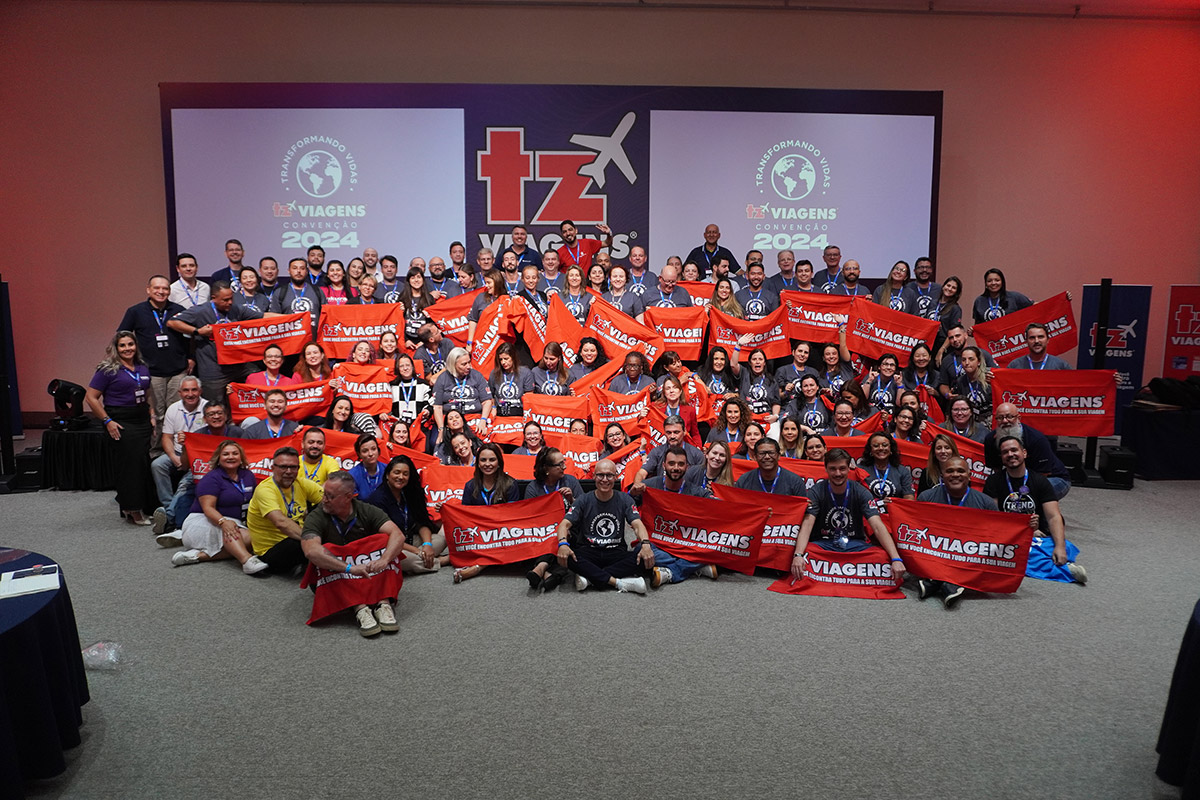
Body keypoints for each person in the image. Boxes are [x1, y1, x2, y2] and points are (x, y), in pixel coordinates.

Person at [301, 471, 414, 637]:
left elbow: (397, 535)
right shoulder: (317, 515)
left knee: (384, 541)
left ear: (348, 497)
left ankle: (383, 604)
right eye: (324, 494)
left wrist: (384, 560)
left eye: (330, 496)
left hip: (366, 567)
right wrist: (349, 568)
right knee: (326, 550)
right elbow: (311, 550)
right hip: (339, 572)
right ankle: (360, 608)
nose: (324, 499)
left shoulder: (366, 509)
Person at [790, 448, 907, 582]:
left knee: (883, 557)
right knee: (806, 555)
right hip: (823, 544)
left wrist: (895, 558)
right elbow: (807, 524)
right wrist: (798, 555)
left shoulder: (861, 492)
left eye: (842, 468)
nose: (838, 473)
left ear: (848, 468)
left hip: (854, 544)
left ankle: (831, 575)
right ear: (826, 469)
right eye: (833, 469)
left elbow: (877, 526)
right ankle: (845, 575)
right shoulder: (816, 491)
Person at [983, 436, 1087, 585]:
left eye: (1014, 450)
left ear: (1024, 453)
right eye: (1005, 452)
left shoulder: (1040, 481)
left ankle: (1049, 559)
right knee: (1007, 552)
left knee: (1062, 545)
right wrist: (1023, 530)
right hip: (1007, 536)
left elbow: (1053, 516)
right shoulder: (993, 481)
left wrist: (1060, 547)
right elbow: (993, 518)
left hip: (1037, 535)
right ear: (1002, 457)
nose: (1010, 454)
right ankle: (1066, 571)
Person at [86, 331, 155, 524]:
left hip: (141, 418)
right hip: (120, 420)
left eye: (130, 344)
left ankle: (143, 505)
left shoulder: (142, 367)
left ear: (136, 346)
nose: (127, 349)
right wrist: (107, 421)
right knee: (130, 466)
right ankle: (132, 508)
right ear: (116, 348)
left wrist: (151, 415)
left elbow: (147, 394)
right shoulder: (107, 370)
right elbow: (91, 398)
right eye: (122, 345)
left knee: (142, 463)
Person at [170, 440, 268, 575]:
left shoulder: (247, 475)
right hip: (204, 521)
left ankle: (198, 556)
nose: (231, 457)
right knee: (235, 533)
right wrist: (223, 522)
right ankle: (247, 561)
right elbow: (208, 508)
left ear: (241, 457)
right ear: (218, 458)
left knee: (254, 539)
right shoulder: (211, 478)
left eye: (235, 453)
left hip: (236, 522)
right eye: (226, 454)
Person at [554, 459, 650, 594]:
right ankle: (618, 582)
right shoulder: (583, 500)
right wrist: (563, 544)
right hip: (589, 550)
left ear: (615, 477)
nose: (605, 479)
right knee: (568, 556)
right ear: (594, 476)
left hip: (615, 551)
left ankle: (591, 578)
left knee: (644, 557)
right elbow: (564, 524)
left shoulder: (625, 499)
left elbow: (637, 524)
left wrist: (645, 544)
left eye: (609, 475)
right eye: (600, 475)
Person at [915, 456, 998, 608]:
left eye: (960, 471)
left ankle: (936, 582)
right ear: (942, 475)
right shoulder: (926, 497)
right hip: (936, 551)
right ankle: (948, 583)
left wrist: (1028, 525)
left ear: (969, 475)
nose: (955, 475)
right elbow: (916, 529)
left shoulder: (986, 503)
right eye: (950, 471)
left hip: (968, 554)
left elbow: (998, 535)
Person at [118, 274, 190, 449]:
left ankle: (176, 451)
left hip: (177, 370)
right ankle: (156, 451)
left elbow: (189, 337)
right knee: (158, 415)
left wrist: (190, 358)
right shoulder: (135, 311)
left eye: (165, 288)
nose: (161, 291)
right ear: (148, 290)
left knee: (176, 413)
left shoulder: (178, 310)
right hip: (151, 371)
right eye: (157, 288)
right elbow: (122, 336)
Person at [169, 282, 263, 402]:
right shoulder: (200, 311)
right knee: (215, 407)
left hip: (238, 367)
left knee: (257, 379)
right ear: (214, 298)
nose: (230, 302)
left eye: (231, 298)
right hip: (213, 370)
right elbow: (172, 322)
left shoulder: (236, 309)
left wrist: (287, 319)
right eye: (225, 300)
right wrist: (197, 331)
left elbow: (263, 316)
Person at [640, 447, 719, 588]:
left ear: (687, 467)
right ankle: (693, 567)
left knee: (712, 550)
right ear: (664, 465)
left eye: (681, 464)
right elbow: (627, 505)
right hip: (657, 543)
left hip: (686, 544)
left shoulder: (695, 491)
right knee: (640, 553)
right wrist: (633, 492)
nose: (676, 468)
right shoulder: (648, 486)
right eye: (671, 463)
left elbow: (719, 506)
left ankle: (671, 572)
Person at [245, 446, 323, 575]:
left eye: (293, 467)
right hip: (270, 551)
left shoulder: (301, 483)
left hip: (297, 537)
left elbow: (330, 500)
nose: (289, 471)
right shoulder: (265, 490)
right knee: (299, 543)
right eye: (283, 467)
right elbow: (281, 522)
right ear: (273, 468)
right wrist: (314, 539)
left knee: (328, 511)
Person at [366, 454, 447, 574]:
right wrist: (417, 551)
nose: (401, 477)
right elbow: (384, 538)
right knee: (404, 559)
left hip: (410, 539)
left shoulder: (409, 492)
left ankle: (422, 560)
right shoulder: (377, 499)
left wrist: (427, 544)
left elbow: (422, 522)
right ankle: (441, 561)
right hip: (390, 545)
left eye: (405, 474)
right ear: (387, 475)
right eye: (397, 472)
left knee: (440, 540)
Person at [453, 444, 522, 583]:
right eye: (483, 460)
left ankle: (478, 567)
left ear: (499, 462)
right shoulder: (470, 486)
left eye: (492, 460)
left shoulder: (510, 484)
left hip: (502, 533)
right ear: (478, 463)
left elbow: (513, 517)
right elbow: (465, 515)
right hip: (478, 531)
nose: (487, 464)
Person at [983, 403, 1072, 499]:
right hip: (1017, 476)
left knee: (1026, 496)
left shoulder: (1036, 439)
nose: (1005, 421)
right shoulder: (990, 440)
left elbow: (1042, 476)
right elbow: (997, 470)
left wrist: (1018, 488)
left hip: (1053, 478)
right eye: (1000, 418)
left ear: (1018, 418)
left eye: (1010, 417)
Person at [150, 376, 207, 510]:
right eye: (186, 390)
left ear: (200, 391)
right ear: (179, 393)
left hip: (199, 456)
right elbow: (167, 437)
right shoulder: (173, 409)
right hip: (177, 452)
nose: (190, 394)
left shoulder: (207, 408)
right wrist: (173, 457)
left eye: (194, 390)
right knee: (157, 465)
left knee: (184, 483)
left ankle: (170, 513)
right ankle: (167, 505)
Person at [432, 347, 492, 438]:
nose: (468, 366)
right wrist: (441, 429)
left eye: (469, 362)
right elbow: (437, 407)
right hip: (452, 420)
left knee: (485, 436)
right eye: (464, 364)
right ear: (453, 365)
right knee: (436, 441)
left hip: (474, 417)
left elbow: (487, 401)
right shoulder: (442, 378)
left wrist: (483, 420)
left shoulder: (476, 375)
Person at [633, 415, 704, 488]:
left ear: (684, 431)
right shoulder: (657, 452)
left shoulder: (697, 454)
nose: (672, 436)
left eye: (676, 432)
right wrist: (637, 486)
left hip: (687, 492)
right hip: (662, 492)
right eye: (669, 433)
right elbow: (641, 473)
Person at [733, 437, 807, 494]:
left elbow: (802, 507)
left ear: (778, 456)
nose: (767, 457)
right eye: (762, 453)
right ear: (755, 457)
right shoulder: (744, 481)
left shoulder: (795, 482)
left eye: (771, 453)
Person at [859, 433, 915, 501]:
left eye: (885, 445)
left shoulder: (902, 471)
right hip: (868, 507)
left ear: (891, 448)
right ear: (870, 450)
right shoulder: (860, 470)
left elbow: (909, 498)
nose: (881, 448)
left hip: (893, 508)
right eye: (876, 446)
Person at [268, 258, 325, 323]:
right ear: (289, 271)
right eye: (295, 268)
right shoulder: (280, 292)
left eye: (302, 268)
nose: (298, 271)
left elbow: (325, 316)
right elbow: (274, 319)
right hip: (290, 329)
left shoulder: (317, 291)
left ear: (306, 271)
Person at [489, 342, 534, 417]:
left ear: (513, 357)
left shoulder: (525, 372)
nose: (503, 362)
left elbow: (530, 397)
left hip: (519, 413)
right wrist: (493, 407)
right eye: (500, 359)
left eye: (506, 359)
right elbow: (490, 396)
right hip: (500, 412)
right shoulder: (494, 373)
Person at [948, 346, 993, 422]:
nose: (967, 363)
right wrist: (950, 397)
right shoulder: (960, 381)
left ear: (979, 362)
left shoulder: (989, 376)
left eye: (971, 359)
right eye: (963, 360)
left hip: (991, 419)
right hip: (970, 421)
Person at [738, 348, 781, 425]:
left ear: (764, 363)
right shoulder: (744, 375)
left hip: (767, 419)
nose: (757, 362)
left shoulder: (772, 380)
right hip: (747, 420)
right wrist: (738, 346)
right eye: (754, 359)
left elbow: (776, 402)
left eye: (760, 359)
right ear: (750, 362)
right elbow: (733, 365)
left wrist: (775, 416)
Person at [654, 376, 700, 445]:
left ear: (680, 391)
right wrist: (641, 416)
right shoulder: (656, 408)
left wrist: (698, 447)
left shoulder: (690, 410)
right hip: (661, 446)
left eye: (675, 387)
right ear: (664, 392)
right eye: (668, 388)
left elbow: (695, 434)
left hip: (682, 448)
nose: (671, 391)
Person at [398, 267, 435, 350]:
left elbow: (434, 322)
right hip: (407, 341)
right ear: (408, 281)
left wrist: (425, 340)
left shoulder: (429, 298)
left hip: (425, 341)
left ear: (423, 279)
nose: (416, 280)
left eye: (419, 277)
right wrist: (406, 340)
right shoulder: (402, 298)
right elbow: (398, 322)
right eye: (413, 278)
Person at [466, 270, 506, 345]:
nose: (486, 286)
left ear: (497, 282)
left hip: (502, 342)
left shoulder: (507, 299)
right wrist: (469, 342)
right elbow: (473, 320)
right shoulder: (480, 298)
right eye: (485, 283)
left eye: (489, 283)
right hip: (483, 341)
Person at [1008, 323, 1072, 370]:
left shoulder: (1061, 366)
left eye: (1040, 337)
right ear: (1026, 341)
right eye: (1032, 338)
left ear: (1047, 340)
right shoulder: (1014, 366)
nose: (1036, 341)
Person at [348, 433, 386, 499]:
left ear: (378, 450)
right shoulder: (352, 475)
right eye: (365, 451)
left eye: (373, 449)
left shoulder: (387, 470)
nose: (370, 454)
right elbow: (354, 503)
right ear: (359, 454)